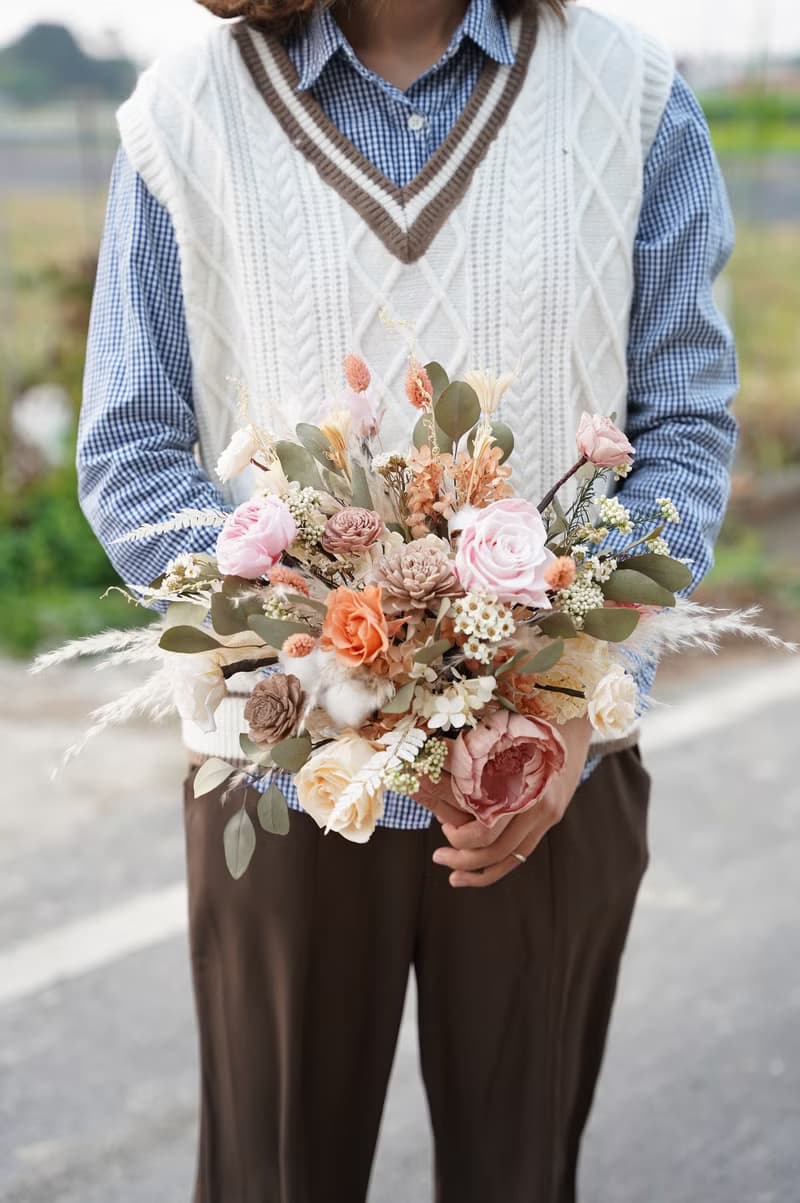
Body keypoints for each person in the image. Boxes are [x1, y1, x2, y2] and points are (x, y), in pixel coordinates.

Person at [77, 1, 738, 1199]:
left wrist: (566, 700)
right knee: (272, 1176)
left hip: (551, 773)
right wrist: (331, 669)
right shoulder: (187, 112)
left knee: (518, 1173)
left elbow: (682, 429)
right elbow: (131, 451)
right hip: (277, 772)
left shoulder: (632, 92)